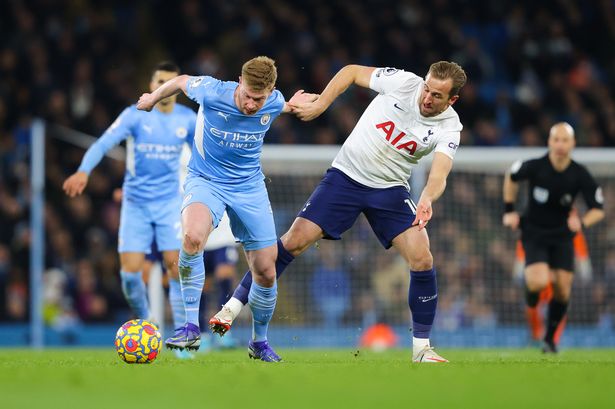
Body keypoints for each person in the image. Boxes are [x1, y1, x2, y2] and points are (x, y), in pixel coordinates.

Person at [210, 61, 468, 363]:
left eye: (437, 95)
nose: (427, 97)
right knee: (293, 241)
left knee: (422, 257)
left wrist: (427, 197)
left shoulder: (450, 126)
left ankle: (421, 349)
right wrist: (320, 104)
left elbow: (439, 174)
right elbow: (351, 71)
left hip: (389, 189)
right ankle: (231, 309)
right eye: (427, 88)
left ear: (452, 100)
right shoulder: (403, 82)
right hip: (345, 177)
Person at [136, 56, 316, 362]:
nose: (250, 105)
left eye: (258, 99)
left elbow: (279, 106)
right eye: (247, 95)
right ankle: (190, 327)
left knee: (266, 271)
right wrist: (153, 98)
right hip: (205, 180)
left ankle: (259, 342)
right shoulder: (211, 91)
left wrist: (290, 105)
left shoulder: (273, 101)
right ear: (239, 82)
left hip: (249, 188)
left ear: (271, 91)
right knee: (193, 238)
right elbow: (180, 82)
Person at [63, 62, 195, 341]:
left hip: (170, 204)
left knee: (176, 270)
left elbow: (204, 156)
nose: (166, 88)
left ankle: (184, 336)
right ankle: (146, 321)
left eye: (172, 83)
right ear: (151, 85)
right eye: (161, 81)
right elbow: (102, 144)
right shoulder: (134, 116)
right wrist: (84, 171)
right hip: (136, 205)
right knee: (130, 276)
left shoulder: (188, 119)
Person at [502, 122, 605, 353]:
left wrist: (581, 222)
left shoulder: (579, 174)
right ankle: (531, 296)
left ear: (573, 144)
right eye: (555, 140)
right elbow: (511, 175)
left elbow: (598, 208)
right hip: (534, 233)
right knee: (538, 282)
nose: (559, 145)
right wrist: (509, 210)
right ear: (549, 142)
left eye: (564, 140)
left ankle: (549, 340)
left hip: (562, 237)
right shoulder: (536, 166)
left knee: (562, 290)